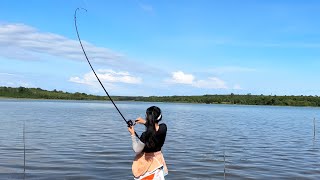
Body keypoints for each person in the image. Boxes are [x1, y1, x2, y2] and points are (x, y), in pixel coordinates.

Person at [128, 106, 168, 180]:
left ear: (147, 117)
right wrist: (145, 122)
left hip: (146, 165)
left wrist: (132, 134)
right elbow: (155, 128)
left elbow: (136, 150)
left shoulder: (145, 135)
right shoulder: (163, 128)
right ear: (159, 117)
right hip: (158, 162)